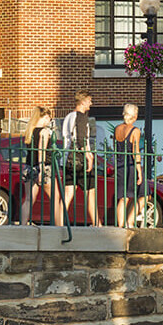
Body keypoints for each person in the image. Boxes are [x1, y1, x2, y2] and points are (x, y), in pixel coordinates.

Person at [59, 92, 100, 225]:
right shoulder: (81, 117)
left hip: (67, 158)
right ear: (82, 102)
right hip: (80, 159)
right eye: (89, 101)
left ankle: (59, 224)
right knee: (90, 193)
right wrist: (89, 156)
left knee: (67, 194)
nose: (91, 104)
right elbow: (81, 139)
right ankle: (97, 224)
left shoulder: (68, 116)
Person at [21, 106, 61, 226]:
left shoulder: (30, 131)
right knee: (55, 198)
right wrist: (42, 169)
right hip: (42, 167)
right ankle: (59, 227)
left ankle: (22, 226)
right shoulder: (44, 132)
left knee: (28, 199)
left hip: (29, 167)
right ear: (43, 117)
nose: (49, 121)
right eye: (48, 118)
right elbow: (41, 151)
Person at [111, 104, 144, 227]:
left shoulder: (117, 129)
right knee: (145, 194)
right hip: (130, 165)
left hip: (120, 165)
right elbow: (136, 152)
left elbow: (115, 148)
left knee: (123, 197)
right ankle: (129, 221)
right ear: (134, 116)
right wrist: (139, 171)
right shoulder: (135, 131)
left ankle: (121, 225)